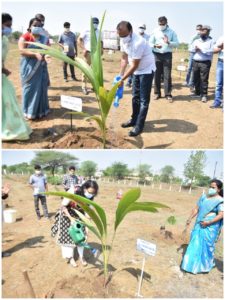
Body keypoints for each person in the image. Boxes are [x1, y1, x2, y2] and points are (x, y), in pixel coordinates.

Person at [117, 21, 156, 137]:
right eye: (120, 36)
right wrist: (121, 74)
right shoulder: (122, 39)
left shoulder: (138, 42)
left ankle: (139, 125)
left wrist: (123, 79)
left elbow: (135, 65)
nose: (123, 38)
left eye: (124, 35)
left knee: (144, 100)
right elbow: (124, 58)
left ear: (131, 31)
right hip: (136, 70)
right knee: (135, 96)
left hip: (146, 70)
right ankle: (134, 119)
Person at [51, 180, 99, 267]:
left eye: (93, 193)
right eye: (90, 192)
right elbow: (63, 206)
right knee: (68, 238)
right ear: (84, 188)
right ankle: (70, 257)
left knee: (82, 237)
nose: (91, 195)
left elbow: (88, 213)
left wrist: (88, 226)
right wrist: (70, 218)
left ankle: (81, 257)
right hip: (67, 215)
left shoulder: (90, 198)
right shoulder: (74, 191)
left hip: (80, 217)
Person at [181, 179, 223, 274]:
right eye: (210, 187)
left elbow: (221, 215)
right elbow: (196, 209)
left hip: (210, 227)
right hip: (199, 224)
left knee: (206, 246)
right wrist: (190, 218)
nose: (211, 189)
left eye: (213, 187)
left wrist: (208, 222)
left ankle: (204, 266)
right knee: (194, 243)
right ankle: (189, 265)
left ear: (219, 189)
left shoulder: (220, 201)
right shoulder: (204, 197)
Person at [2, 13, 32, 141]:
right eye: (7, 25)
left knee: (8, 98)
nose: (9, 28)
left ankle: (13, 127)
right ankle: (10, 130)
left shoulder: (4, 39)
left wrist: (3, 69)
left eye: (10, 25)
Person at [18, 17, 50, 120]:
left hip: (41, 67)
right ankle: (28, 112)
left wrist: (47, 56)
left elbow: (47, 51)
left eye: (40, 26)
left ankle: (41, 111)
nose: (37, 27)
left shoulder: (44, 38)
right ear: (30, 26)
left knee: (41, 88)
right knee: (29, 89)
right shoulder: (25, 37)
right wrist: (35, 54)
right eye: (35, 25)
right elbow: (22, 51)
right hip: (29, 68)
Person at [149, 16, 179, 102]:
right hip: (156, 55)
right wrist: (155, 45)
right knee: (157, 75)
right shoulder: (155, 31)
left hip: (167, 55)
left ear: (166, 23)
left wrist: (168, 42)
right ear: (158, 23)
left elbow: (177, 44)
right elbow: (150, 43)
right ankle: (157, 93)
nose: (161, 25)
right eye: (160, 24)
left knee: (167, 75)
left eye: (163, 24)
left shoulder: (172, 32)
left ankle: (168, 94)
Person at [78, 17, 103, 95]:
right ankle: (84, 87)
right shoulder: (86, 30)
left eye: (96, 23)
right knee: (85, 70)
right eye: (94, 23)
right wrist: (83, 49)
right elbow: (79, 40)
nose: (95, 24)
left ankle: (94, 86)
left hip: (96, 54)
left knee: (95, 71)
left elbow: (101, 41)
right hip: (88, 53)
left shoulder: (100, 32)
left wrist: (101, 49)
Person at [190, 25, 214, 103]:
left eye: (204, 30)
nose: (202, 31)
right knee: (196, 78)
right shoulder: (196, 41)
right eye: (201, 30)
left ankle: (204, 95)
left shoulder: (211, 41)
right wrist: (195, 49)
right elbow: (190, 48)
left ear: (208, 32)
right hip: (195, 61)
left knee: (204, 79)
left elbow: (211, 52)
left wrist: (202, 50)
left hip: (205, 63)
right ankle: (197, 93)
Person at [126, 24, 150, 88]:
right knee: (132, 68)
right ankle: (129, 81)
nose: (141, 29)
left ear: (145, 29)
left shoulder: (147, 37)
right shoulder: (134, 36)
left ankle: (138, 83)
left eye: (142, 28)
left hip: (143, 56)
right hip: (134, 55)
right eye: (140, 27)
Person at [210, 36, 223, 109]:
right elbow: (213, 51)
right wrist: (220, 47)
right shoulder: (221, 38)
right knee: (218, 84)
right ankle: (217, 101)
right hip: (221, 62)